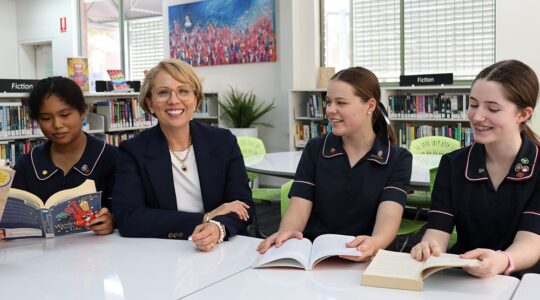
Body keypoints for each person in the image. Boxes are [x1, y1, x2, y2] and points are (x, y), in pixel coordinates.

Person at [258, 66, 412, 261]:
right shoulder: (315, 148)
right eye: (329, 102)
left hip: (366, 258)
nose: (330, 110)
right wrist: (286, 233)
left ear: (370, 106)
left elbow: (390, 216)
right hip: (315, 257)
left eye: (341, 103)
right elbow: (299, 206)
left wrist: (375, 242)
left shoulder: (398, 158)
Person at [411, 59, 540, 277]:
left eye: (492, 108)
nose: (477, 117)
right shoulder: (453, 164)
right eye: (473, 104)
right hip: (464, 276)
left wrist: (502, 260)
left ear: (523, 114)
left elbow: (531, 240)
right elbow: (438, 231)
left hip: (523, 281)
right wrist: (429, 247)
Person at [112, 59, 254, 251]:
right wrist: (206, 217)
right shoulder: (133, 150)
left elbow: (242, 206)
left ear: (196, 100)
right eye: (163, 92)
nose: (174, 100)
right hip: (160, 252)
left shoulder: (223, 142)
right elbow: (128, 218)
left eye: (183, 91)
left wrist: (217, 227)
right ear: (150, 103)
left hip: (220, 249)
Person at [11, 76, 116, 235]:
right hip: (39, 255)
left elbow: (129, 210)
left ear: (82, 111)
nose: (57, 125)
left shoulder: (112, 158)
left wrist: (112, 220)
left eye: (65, 115)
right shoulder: (27, 165)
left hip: (98, 255)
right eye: (46, 118)